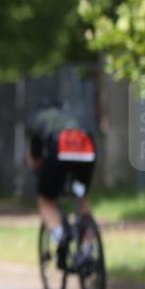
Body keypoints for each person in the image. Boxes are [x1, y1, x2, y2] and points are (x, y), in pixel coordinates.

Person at [26, 99, 97, 266]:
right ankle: (88, 247)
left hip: (58, 148)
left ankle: (60, 236)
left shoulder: (38, 120)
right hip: (86, 149)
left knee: (46, 201)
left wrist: (42, 175)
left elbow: (35, 159)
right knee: (82, 197)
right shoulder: (71, 117)